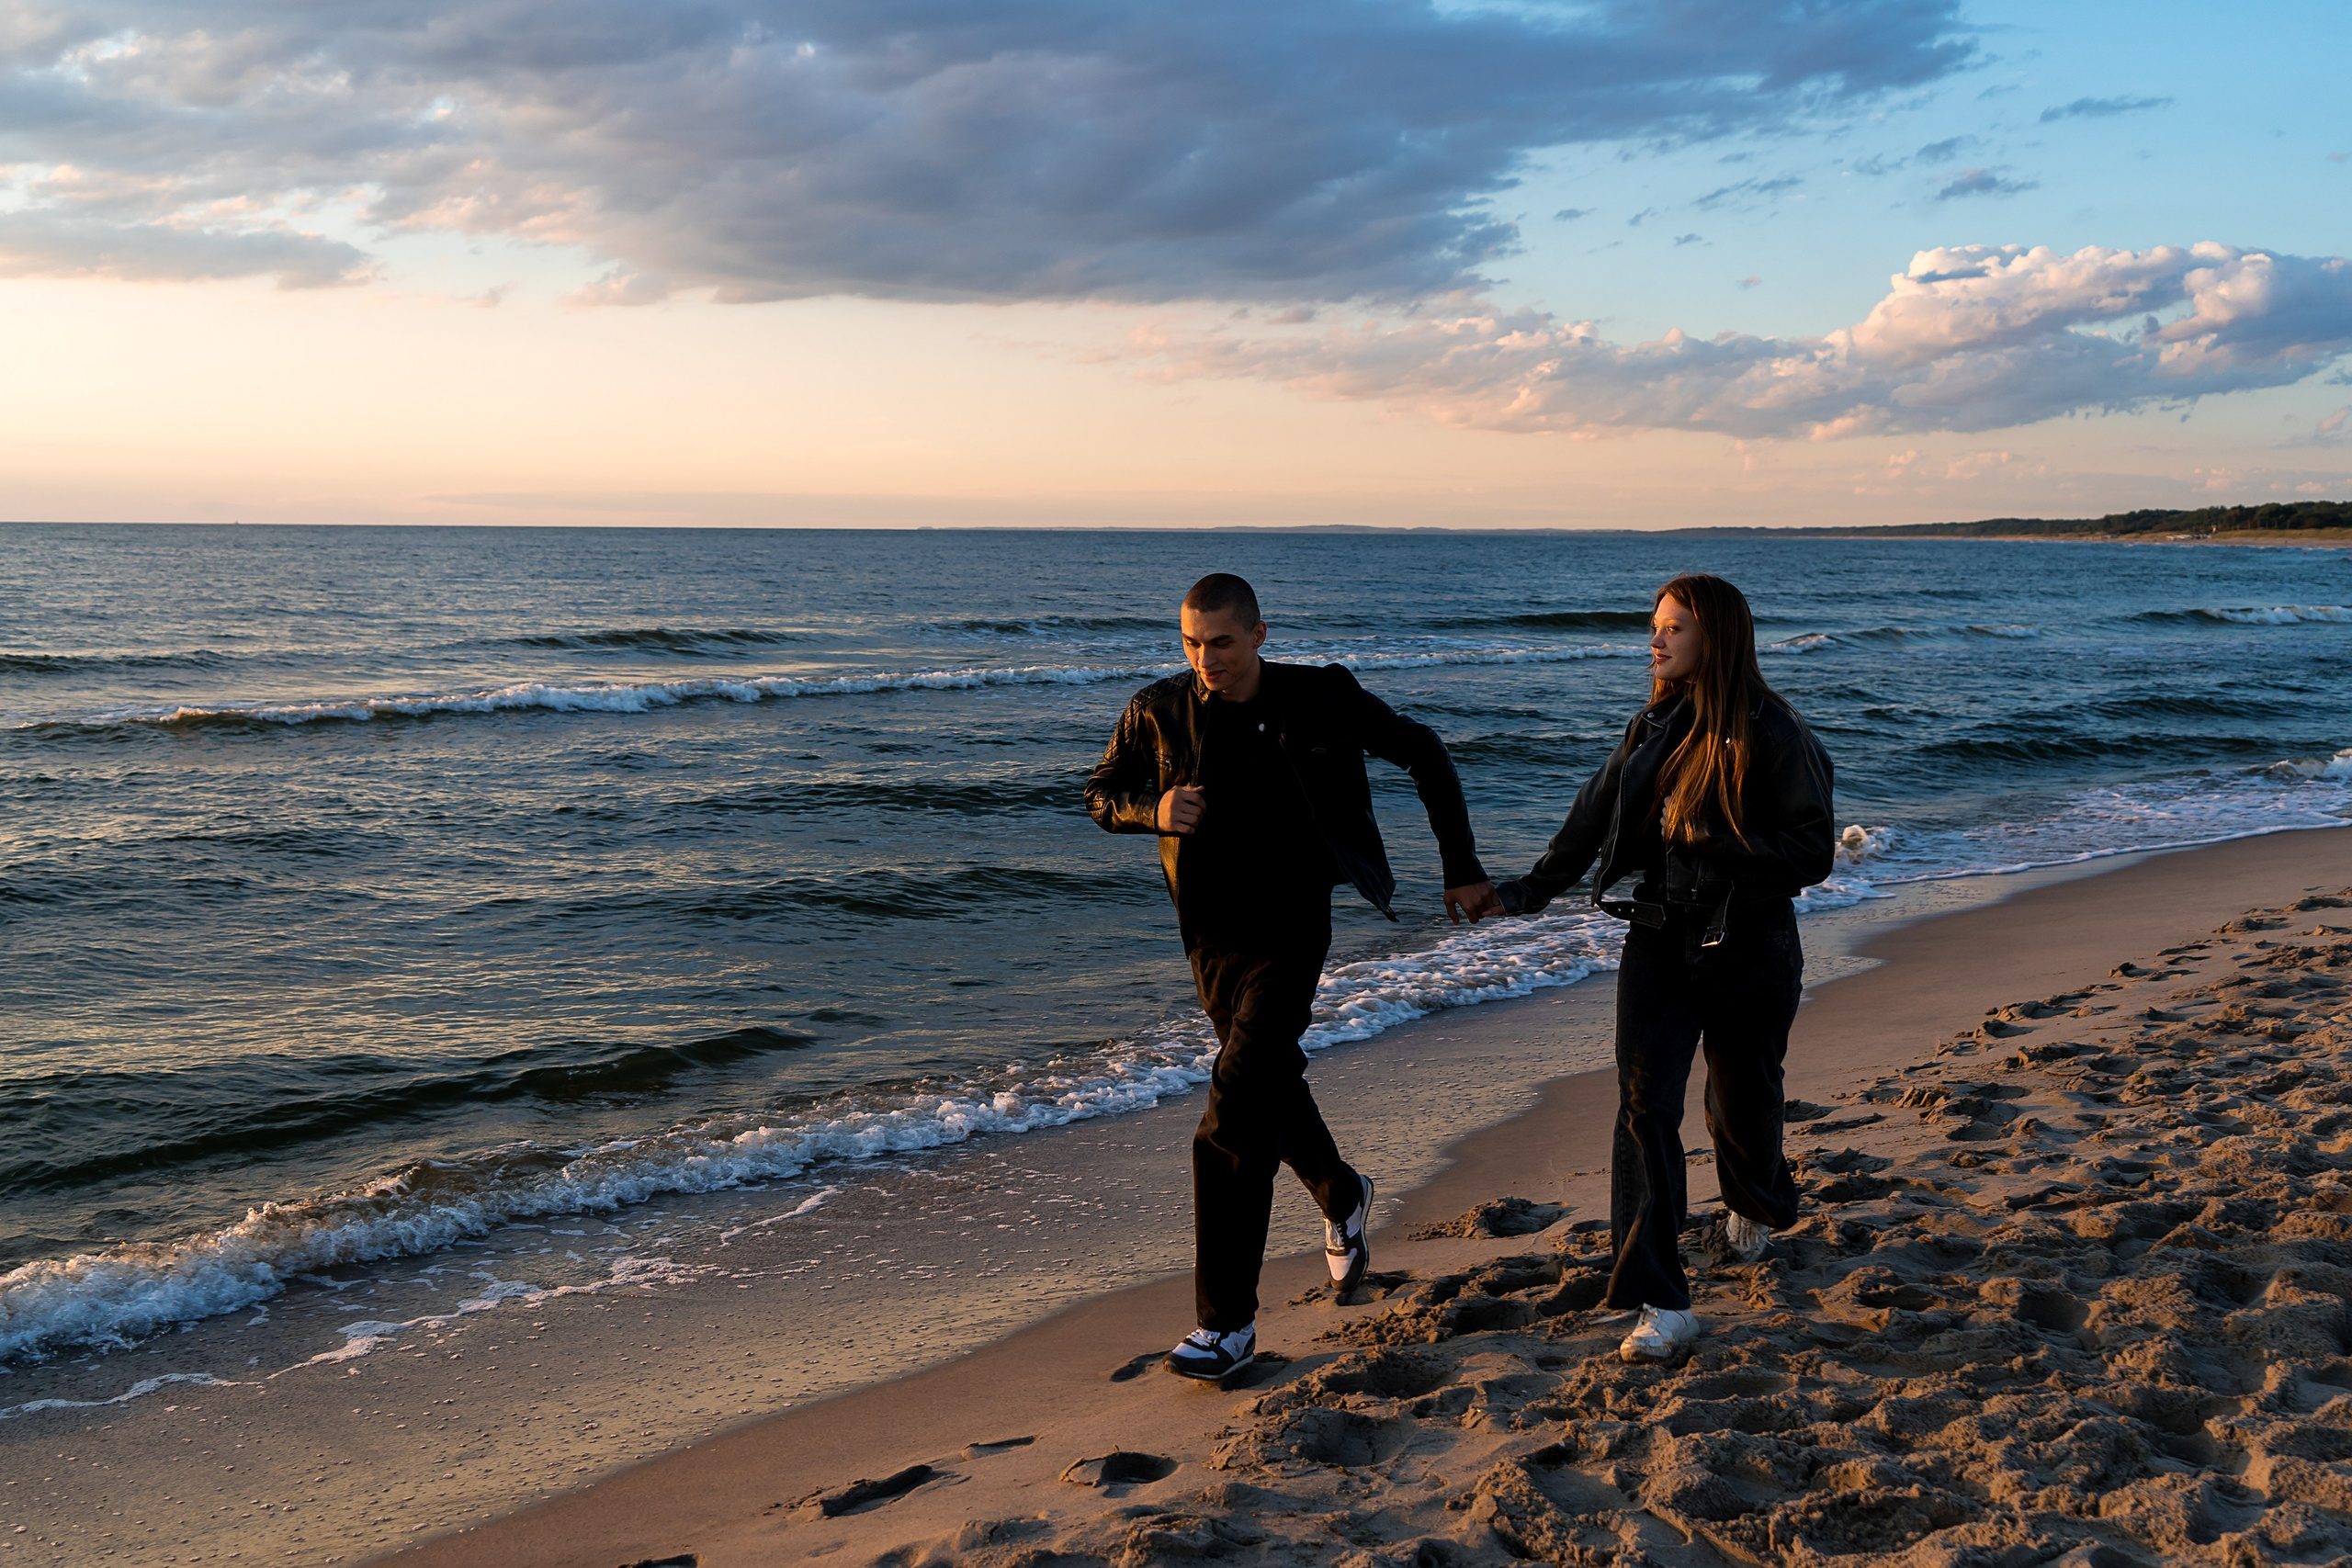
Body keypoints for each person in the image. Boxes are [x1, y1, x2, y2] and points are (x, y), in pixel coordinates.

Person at [1086, 572, 1500, 1381]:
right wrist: (1152, 809)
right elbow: (1101, 792)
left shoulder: (1322, 696)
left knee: (1234, 1106)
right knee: (1268, 1079)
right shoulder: (1157, 708)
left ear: (1259, 635)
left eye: (1221, 642)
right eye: (1191, 643)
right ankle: (1342, 1194)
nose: (1205, 659)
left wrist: (1461, 865)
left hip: (1292, 924)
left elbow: (1423, 750)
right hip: (1210, 934)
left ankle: (1226, 1326)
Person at [1493, 573, 1834, 1364]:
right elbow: (1593, 811)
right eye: (1656, 625)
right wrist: (1527, 890)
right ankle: (1662, 1298)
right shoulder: (1651, 724)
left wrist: (1714, 838)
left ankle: (1753, 1196)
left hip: (1750, 944)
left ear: (1715, 635)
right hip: (1657, 938)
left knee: (1743, 1102)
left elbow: (1812, 851)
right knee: (1645, 1108)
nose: (1655, 640)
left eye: (1673, 627)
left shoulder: (1778, 731)